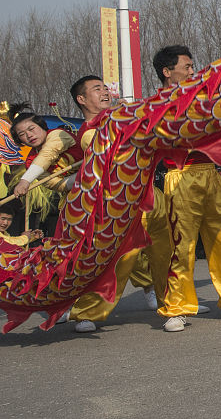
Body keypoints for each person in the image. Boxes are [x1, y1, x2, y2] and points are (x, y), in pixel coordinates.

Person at [153, 45, 221, 333]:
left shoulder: (200, 98)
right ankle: (176, 306)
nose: (192, 70)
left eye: (192, 65)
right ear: (167, 72)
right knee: (180, 244)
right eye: (187, 66)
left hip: (210, 174)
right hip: (180, 175)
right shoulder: (159, 104)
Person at [69, 75, 171, 332]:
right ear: (82, 99)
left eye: (104, 87)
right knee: (117, 260)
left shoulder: (120, 118)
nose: (104, 92)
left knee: (166, 254)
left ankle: (174, 305)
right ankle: (87, 311)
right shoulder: (90, 131)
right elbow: (111, 156)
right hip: (119, 204)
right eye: (96, 89)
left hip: (149, 195)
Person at [8, 105, 79, 234]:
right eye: (22, 134)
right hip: (77, 193)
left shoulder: (57, 134)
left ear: (42, 126)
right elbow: (57, 184)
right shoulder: (30, 163)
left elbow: (47, 154)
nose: (29, 135)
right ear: (19, 140)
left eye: (31, 129)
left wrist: (25, 181)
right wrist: (81, 178)